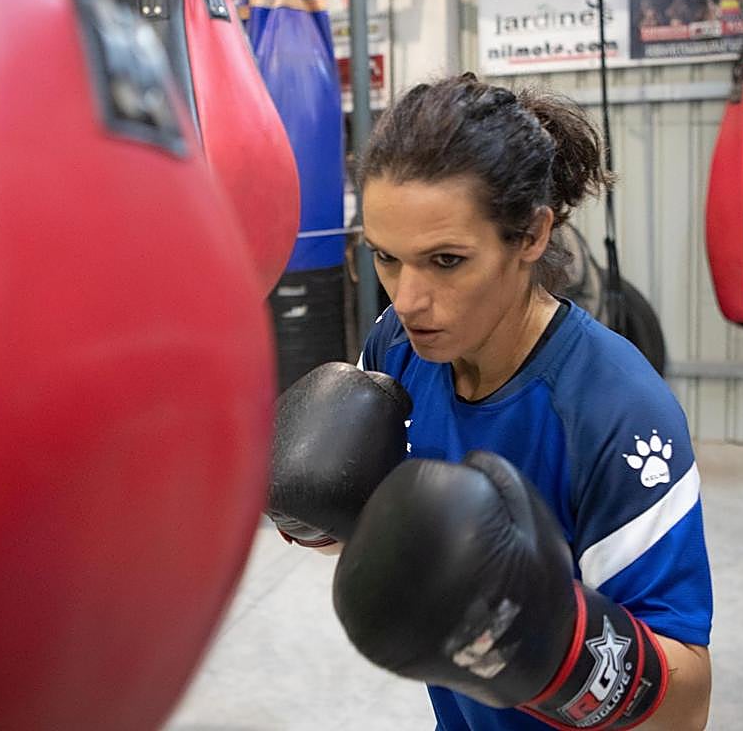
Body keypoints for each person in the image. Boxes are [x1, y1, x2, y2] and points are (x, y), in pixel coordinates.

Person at [267, 74, 712, 730]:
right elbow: (371, 522)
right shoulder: (398, 346)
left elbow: (686, 707)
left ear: (532, 236)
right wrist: (317, 511)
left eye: (446, 260)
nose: (407, 300)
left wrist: (551, 644)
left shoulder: (617, 413)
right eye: (387, 258)